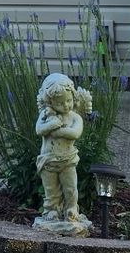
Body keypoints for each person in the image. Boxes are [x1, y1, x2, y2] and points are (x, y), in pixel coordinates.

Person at [33, 72, 93, 232]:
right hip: (48, 160)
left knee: (70, 187)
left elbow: (75, 133)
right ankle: (52, 211)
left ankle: (71, 209)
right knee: (51, 189)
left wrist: (56, 130)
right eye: (60, 103)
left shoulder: (74, 118)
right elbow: (39, 130)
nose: (66, 106)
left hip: (68, 160)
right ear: (49, 102)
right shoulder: (45, 115)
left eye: (69, 100)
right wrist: (52, 124)